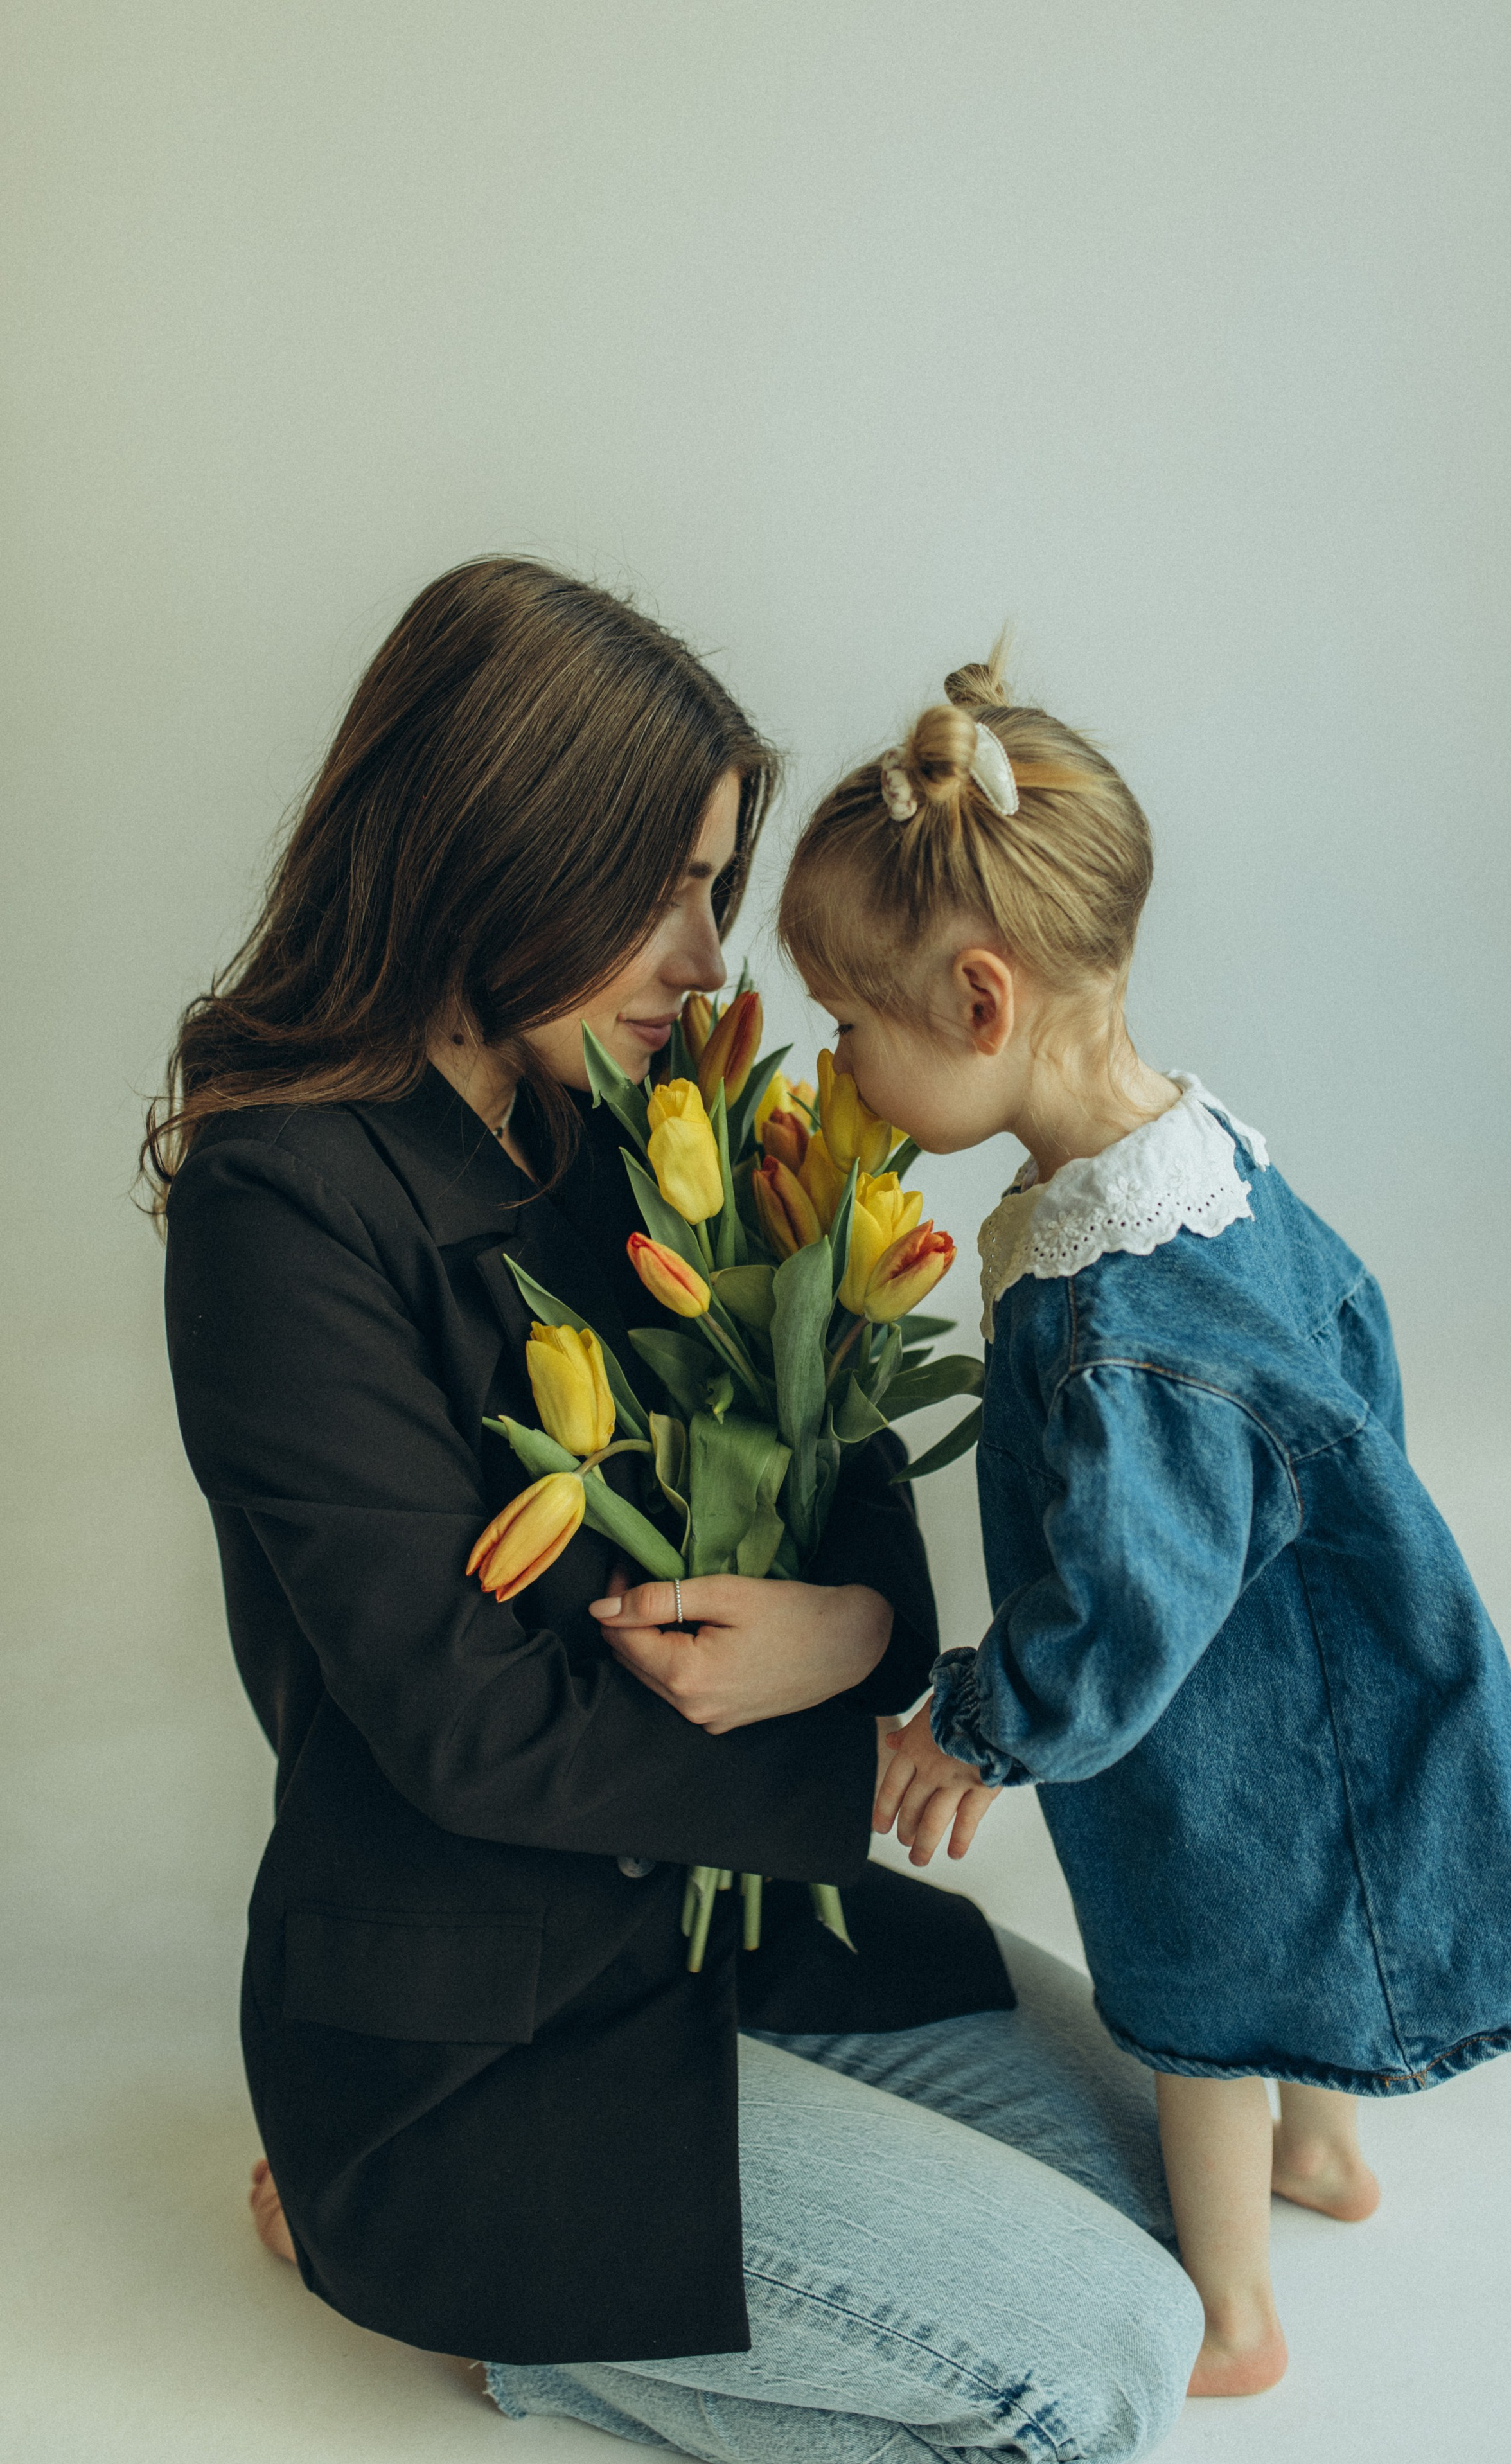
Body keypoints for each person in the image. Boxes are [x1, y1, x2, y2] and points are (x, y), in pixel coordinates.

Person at [149, 559, 1201, 2461]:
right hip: (473, 2034)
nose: (711, 956)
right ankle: (439, 2275)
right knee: (1105, 2362)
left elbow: (849, 1454)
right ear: (500, 847)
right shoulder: (281, 1210)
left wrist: (868, 1630)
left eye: (716, 884)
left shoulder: (616, 1118)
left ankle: (558, 2292)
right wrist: (860, 1767)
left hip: (731, 1931)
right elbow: (464, 1723)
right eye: (667, 888)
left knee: (1165, 2182)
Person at [777, 644, 1511, 2400]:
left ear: (984, 1004)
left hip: (1211, 1705)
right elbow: (1357, 1330)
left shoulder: (1119, 1318)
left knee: (1205, 1977)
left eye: (854, 1025)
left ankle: (1233, 2312)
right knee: (1316, 1901)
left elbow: (1111, 1606)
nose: (842, 1069)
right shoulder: (1198, 1157)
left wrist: (976, 1720)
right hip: (1306, 1629)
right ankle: (1330, 2146)